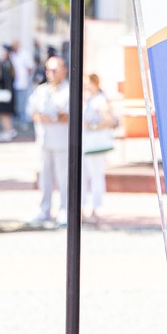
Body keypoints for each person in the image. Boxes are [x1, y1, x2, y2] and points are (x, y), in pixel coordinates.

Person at [28, 57, 70, 226]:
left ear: (64, 71)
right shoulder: (41, 90)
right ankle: (44, 209)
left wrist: (51, 118)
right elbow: (33, 112)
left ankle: (65, 210)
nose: (50, 73)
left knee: (64, 178)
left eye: (54, 70)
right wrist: (51, 117)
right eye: (48, 70)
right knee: (44, 178)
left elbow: (68, 116)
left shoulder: (68, 90)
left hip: (62, 142)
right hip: (44, 141)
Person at [80, 73, 117, 223]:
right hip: (87, 144)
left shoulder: (99, 100)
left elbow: (109, 120)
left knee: (96, 177)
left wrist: (93, 127)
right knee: (84, 176)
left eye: (88, 83)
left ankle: (95, 209)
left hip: (95, 144)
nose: (86, 86)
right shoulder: (90, 99)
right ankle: (83, 208)